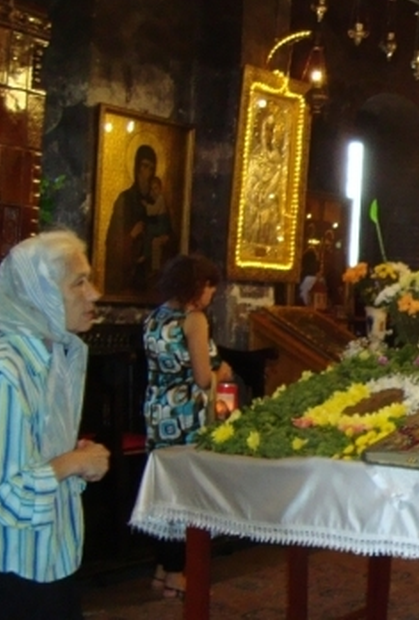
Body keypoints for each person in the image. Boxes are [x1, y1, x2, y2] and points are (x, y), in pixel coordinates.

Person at [0, 231, 110, 619]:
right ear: (40, 294)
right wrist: (73, 462)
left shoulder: (50, 356)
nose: (94, 294)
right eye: (79, 282)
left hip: (39, 556)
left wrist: (75, 461)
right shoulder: (2, 373)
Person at [142, 254, 233, 598]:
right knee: (186, 490)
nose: (211, 294)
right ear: (197, 286)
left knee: (164, 488)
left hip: (158, 410)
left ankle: (161, 568)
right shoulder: (193, 320)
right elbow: (202, 377)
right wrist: (222, 372)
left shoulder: (154, 317)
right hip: (186, 413)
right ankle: (177, 574)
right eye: (210, 287)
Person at [105, 144, 173, 295]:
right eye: (145, 166)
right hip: (129, 280)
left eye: (152, 168)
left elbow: (171, 237)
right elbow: (112, 245)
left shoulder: (158, 203)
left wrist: (165, 239)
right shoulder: (125, 200)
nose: (148, 173)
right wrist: (131, 235)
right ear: (137, 168)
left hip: (152, 280)